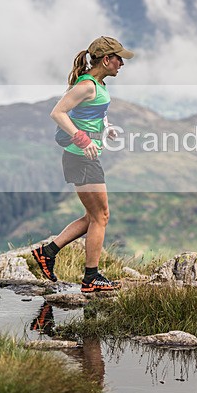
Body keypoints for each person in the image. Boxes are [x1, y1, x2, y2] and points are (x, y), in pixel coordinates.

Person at [31, 36, 133, 293]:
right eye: (119, 58)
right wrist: (81, 137)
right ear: (107, 59)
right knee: (101, 216)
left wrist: (105, 129)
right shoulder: (87, 85)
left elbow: (92, 112)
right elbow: (58, 112)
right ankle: (91, 278)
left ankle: (47, 252)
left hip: (83, 158)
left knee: (92, 216)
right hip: (80, 158)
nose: (122, 63)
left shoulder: (98, 83)